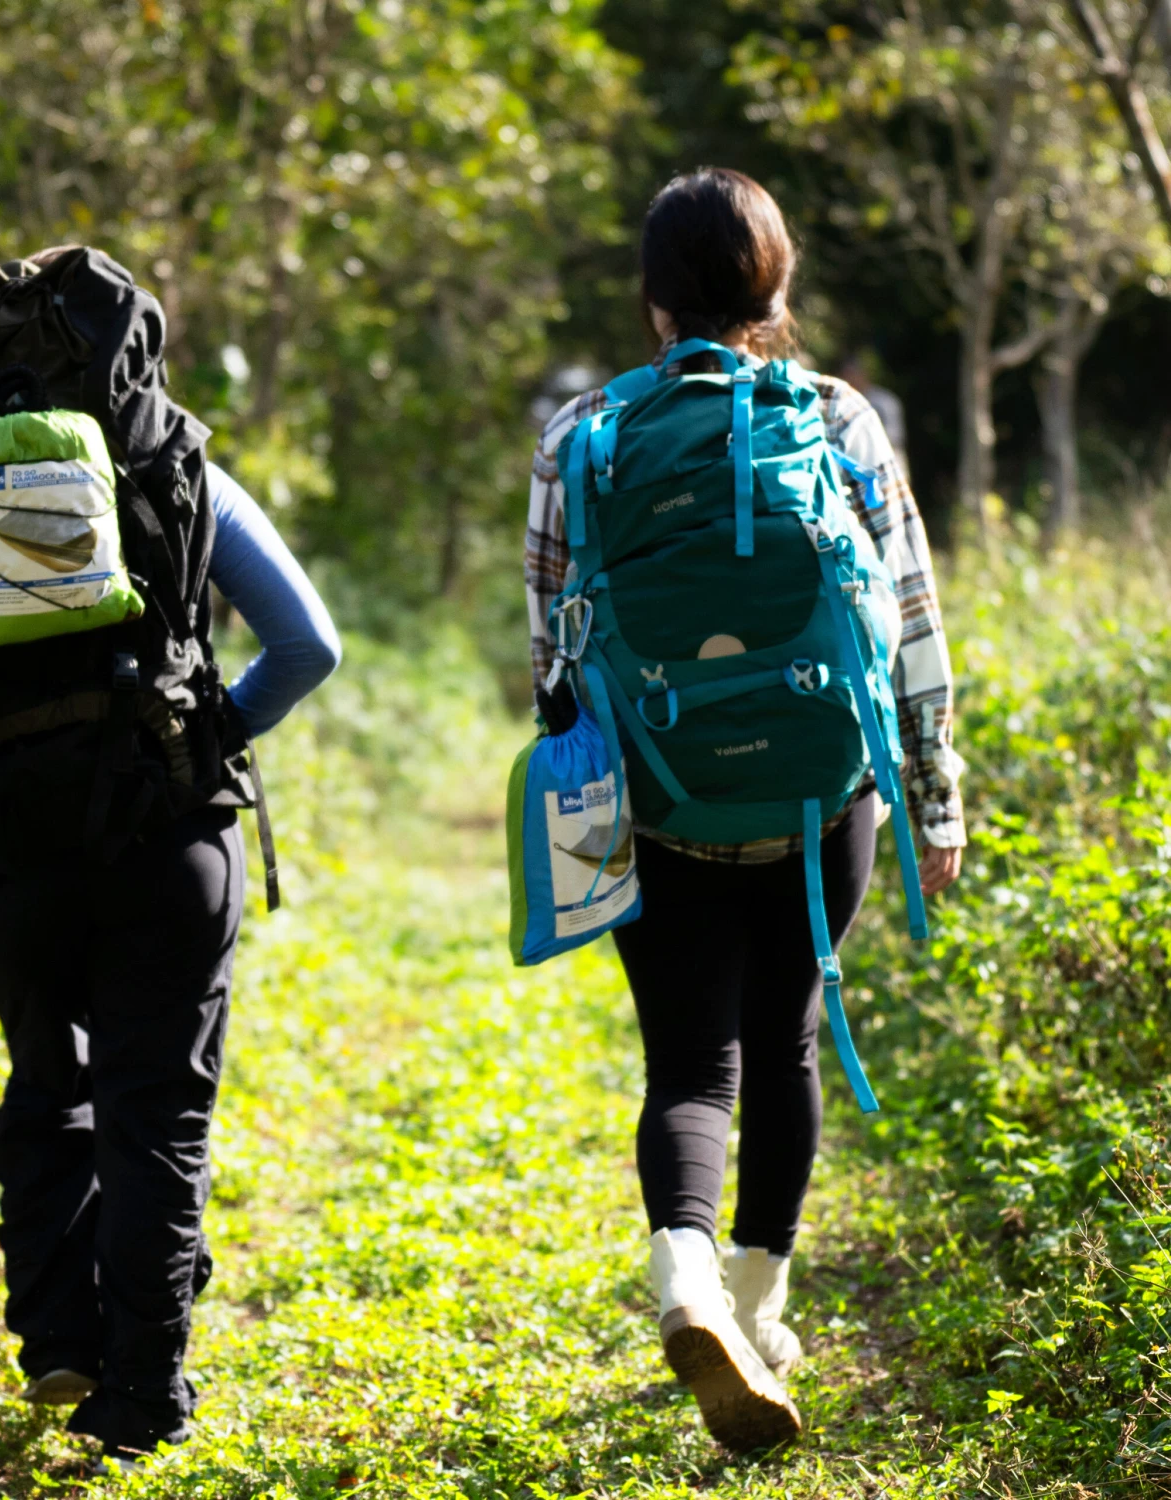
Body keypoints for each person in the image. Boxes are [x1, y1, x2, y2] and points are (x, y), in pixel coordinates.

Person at [524, 168, 965, 1448]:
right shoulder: (841, 419)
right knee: (783, 1044)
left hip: (658, 795)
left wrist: (592, 816)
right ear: (777, 290)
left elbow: (555, 652)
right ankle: (761, 1307)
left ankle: (683, 1273)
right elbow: (911, 623)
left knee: (688, 1060)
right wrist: (934, 798)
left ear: (653, 302)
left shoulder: (583, 436)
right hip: (821, 798)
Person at [0, 459, 340, 1470]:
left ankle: (60, 1344)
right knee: (156, 1107)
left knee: (47, 1072)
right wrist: (202, 739)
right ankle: (143, 1394)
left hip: (2, 852)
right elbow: (307, 644)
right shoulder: (178, 465)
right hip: (172, 841)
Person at [839, 350, 911, 481]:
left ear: (863, 374)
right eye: (846, 375)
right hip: (859, 464)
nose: (849, 379)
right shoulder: (844, 402)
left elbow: (895, 436)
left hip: (890, 459)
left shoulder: (883, 400)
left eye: (852, 374)